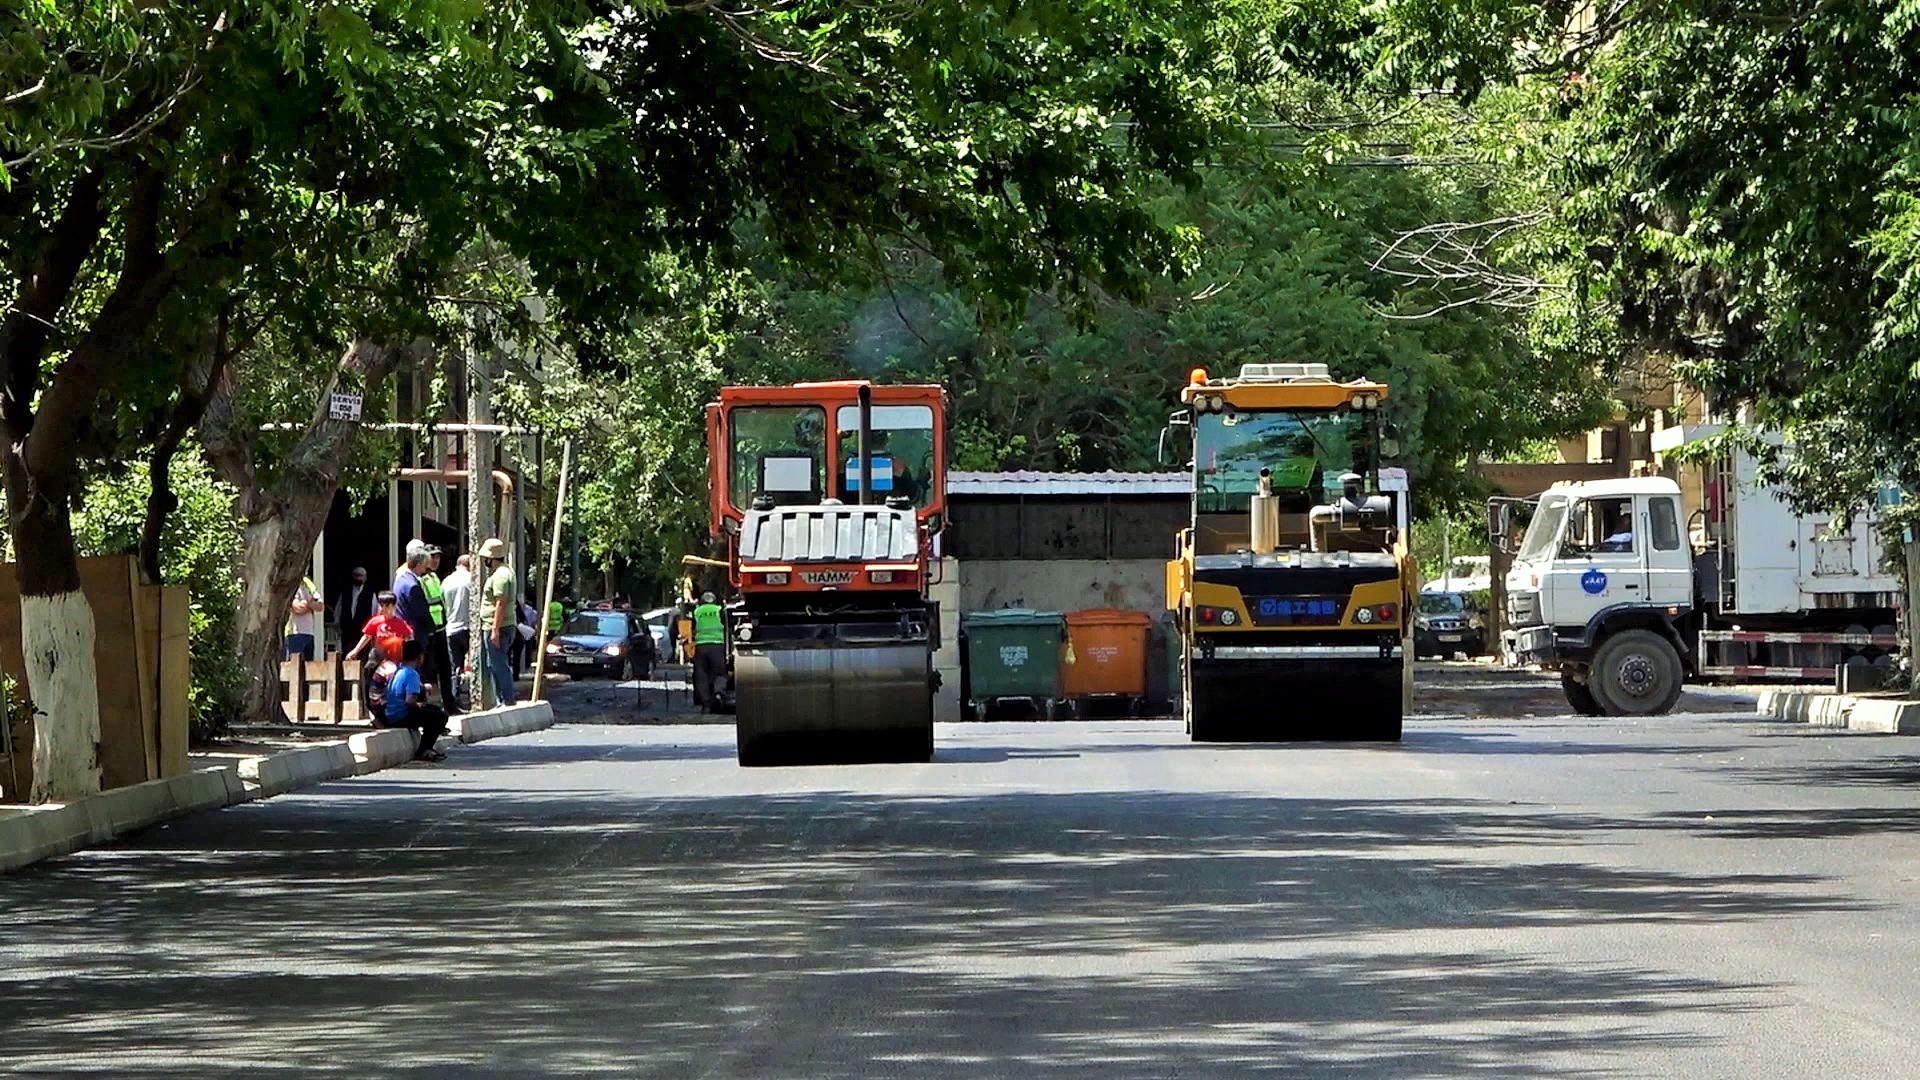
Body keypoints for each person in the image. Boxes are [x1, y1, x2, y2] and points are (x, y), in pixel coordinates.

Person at [378, 639, 449, 762]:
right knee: (440, 716)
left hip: (389, 714)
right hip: (400, 716)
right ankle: (424, 749)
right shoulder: (412, 674)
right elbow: (410, 701)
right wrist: (419, 706)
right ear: (420, 657)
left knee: (432, 710)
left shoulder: (399, 671)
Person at [477, 537, 517, 706]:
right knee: (494, 663)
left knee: (498, 664)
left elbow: (501, 602)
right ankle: (502, 698)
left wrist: (495, 629)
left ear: (491, 558)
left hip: (497, 625)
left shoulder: (500, 576)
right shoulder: (506, 572)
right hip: (502, 625)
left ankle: (507, 699)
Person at [421, 545, 459, 714]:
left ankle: (449, 704)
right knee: (428, 670)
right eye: (432, 557)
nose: (436, 560)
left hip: (441, 628)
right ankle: (429, 706)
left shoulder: (434, 577)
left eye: (438, 557)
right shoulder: (421, 578)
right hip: (429, 630)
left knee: (445, 668)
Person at [345, 591, 412, 663]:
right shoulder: (375, 621)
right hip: (378, 658)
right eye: (381, 605)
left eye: (387, 606)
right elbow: (367, 637)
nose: (384, 609)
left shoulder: (401, 624)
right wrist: (355, 651)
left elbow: (409, 639)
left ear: (394, 606)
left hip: (394, 660)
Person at [442, 553, 473, 701]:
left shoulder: (446, 581)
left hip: (451, 628)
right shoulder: (472, 580)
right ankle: (474, 693)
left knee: (455, 666)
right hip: (469, 628)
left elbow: (442, 603)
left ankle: (455, 696)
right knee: (476, 663)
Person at [690, 590, 727, 709]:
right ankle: (718, 692)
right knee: (720, 673)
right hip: (717, 645)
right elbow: (726, 627)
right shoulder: (719, 610)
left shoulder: (697, 611)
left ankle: (706, 703)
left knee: (702, 675)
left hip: (701, 646)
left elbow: (692, 628)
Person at [334, 567, 373, 653]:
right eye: (356, 575)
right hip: (347, 630)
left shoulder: (371, 594)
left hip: (363, 632)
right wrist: (337, 624)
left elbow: (374, 613)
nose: (358, 578)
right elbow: (338, 610)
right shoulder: (345, 592)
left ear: (365, 578)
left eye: (361, 576)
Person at [285, 575, 320, 660]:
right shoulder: (289, 583)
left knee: (308, 667)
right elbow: (297, 608)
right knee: (294, 665)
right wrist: (311, 607)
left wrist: (306, 604)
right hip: (294, 633)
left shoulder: (308, 582)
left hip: (309, 634)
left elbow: (320, 606)